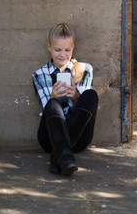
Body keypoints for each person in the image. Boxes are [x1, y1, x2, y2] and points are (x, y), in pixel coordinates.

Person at [32, 23, 98, 176]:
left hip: (79, 138)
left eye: (67, 50)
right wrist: (52, 97)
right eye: (57, 50)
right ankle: (64, 155)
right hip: (50, 138)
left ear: (73, 47)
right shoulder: (40, 74)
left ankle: (60, 156)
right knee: (53, 103)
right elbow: (47, 109)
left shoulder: (85, 69)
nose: (62, 55)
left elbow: (85, 106)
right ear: (49, 47)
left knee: (91, 95)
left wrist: (75, 97)